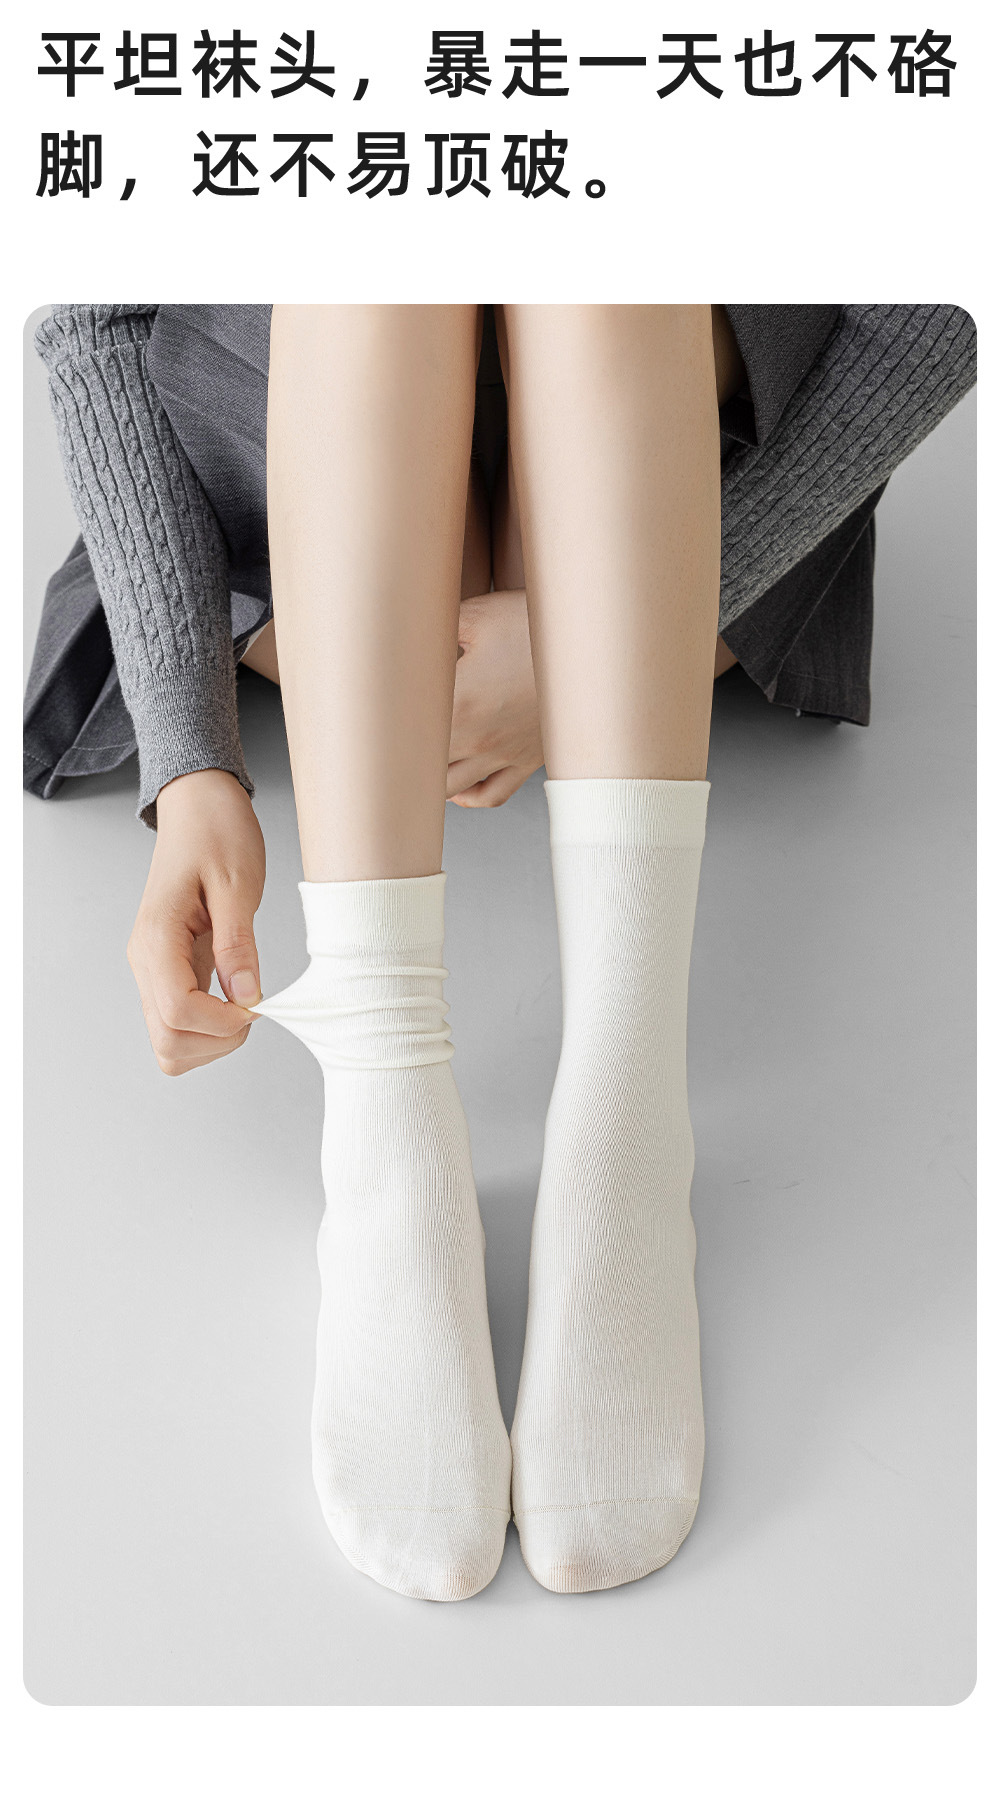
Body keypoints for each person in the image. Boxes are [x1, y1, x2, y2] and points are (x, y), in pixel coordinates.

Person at [25, 303, 976, 1601]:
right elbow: (94, 312)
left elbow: (935, 294)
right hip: (299, 495)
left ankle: (626, 1121)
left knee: (601, 251)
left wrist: (651, 606)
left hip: (667, 473)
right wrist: (189, 755)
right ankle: (384, 1119)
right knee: (372, 253)